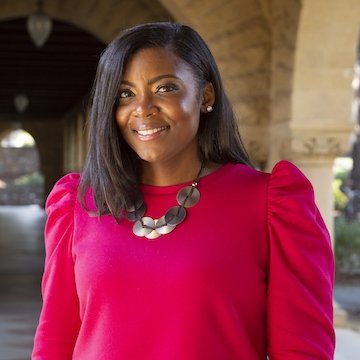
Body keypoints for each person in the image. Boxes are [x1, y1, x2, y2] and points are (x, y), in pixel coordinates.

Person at [32, 22, 335, 359]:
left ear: (205, 96)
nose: (143, 108)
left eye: (165, 88)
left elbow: (302, 350)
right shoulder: (79, 205)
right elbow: (55, 342)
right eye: (125, 94)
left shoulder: (270, 205)